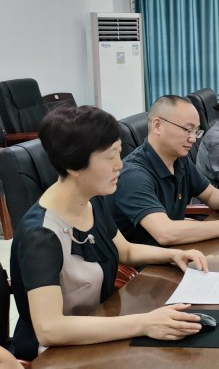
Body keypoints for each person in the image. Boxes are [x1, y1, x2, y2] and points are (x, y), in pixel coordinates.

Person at [10, 106, 208, 361]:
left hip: (99, 330)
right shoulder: (41, 235)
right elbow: (50, 329)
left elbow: (124, 249)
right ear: (74, 166)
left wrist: (174, 255)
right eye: (109, 157)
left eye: (119, 153)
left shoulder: (92, 200)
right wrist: (144, 323)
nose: (119, 165)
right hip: (54, 355)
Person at [111, 95, 219, 246]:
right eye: (187, 129)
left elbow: (210, 193)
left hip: (178, 252)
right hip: (147, 267)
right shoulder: (133, 175)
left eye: (196, 131)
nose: (192, 138)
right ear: (157, 126)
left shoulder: (179, 159)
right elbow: (165, 232)